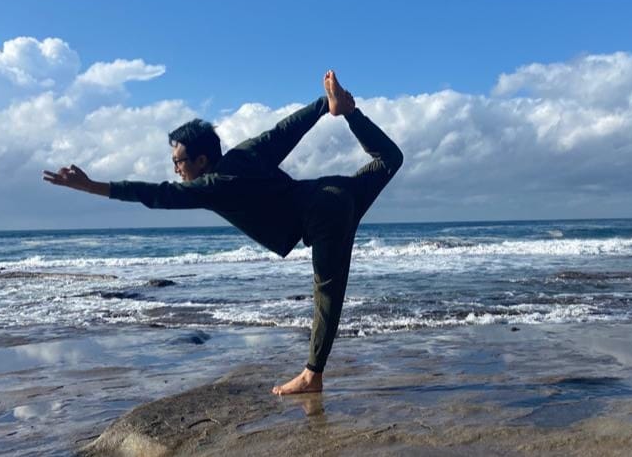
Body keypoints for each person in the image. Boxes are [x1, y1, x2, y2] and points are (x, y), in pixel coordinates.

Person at [43, 71, 402, 395]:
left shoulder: (212, 185)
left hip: (324, 214)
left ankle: (312, 375)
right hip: (338, 191)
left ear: (201, 161)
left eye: (179, 162)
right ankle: (351, 112)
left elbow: (156, 195)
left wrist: (94, 187)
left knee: (327, 293)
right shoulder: (246, 154)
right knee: (389, 159)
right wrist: (327, 106)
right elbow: (284, 131)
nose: (176, 169)